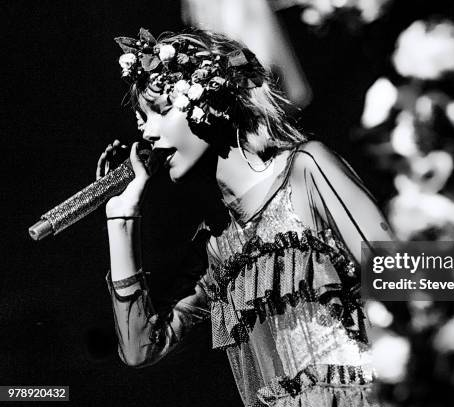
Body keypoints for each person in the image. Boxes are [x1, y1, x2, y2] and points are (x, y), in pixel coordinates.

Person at [98, 28, 394, 407]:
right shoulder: (219, 246)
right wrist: (121, 221)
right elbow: (141, 350)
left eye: (159, 111)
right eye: (142, 119)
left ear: (208, 99)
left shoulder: (304, 171)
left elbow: (403, 274)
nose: (148, 133)